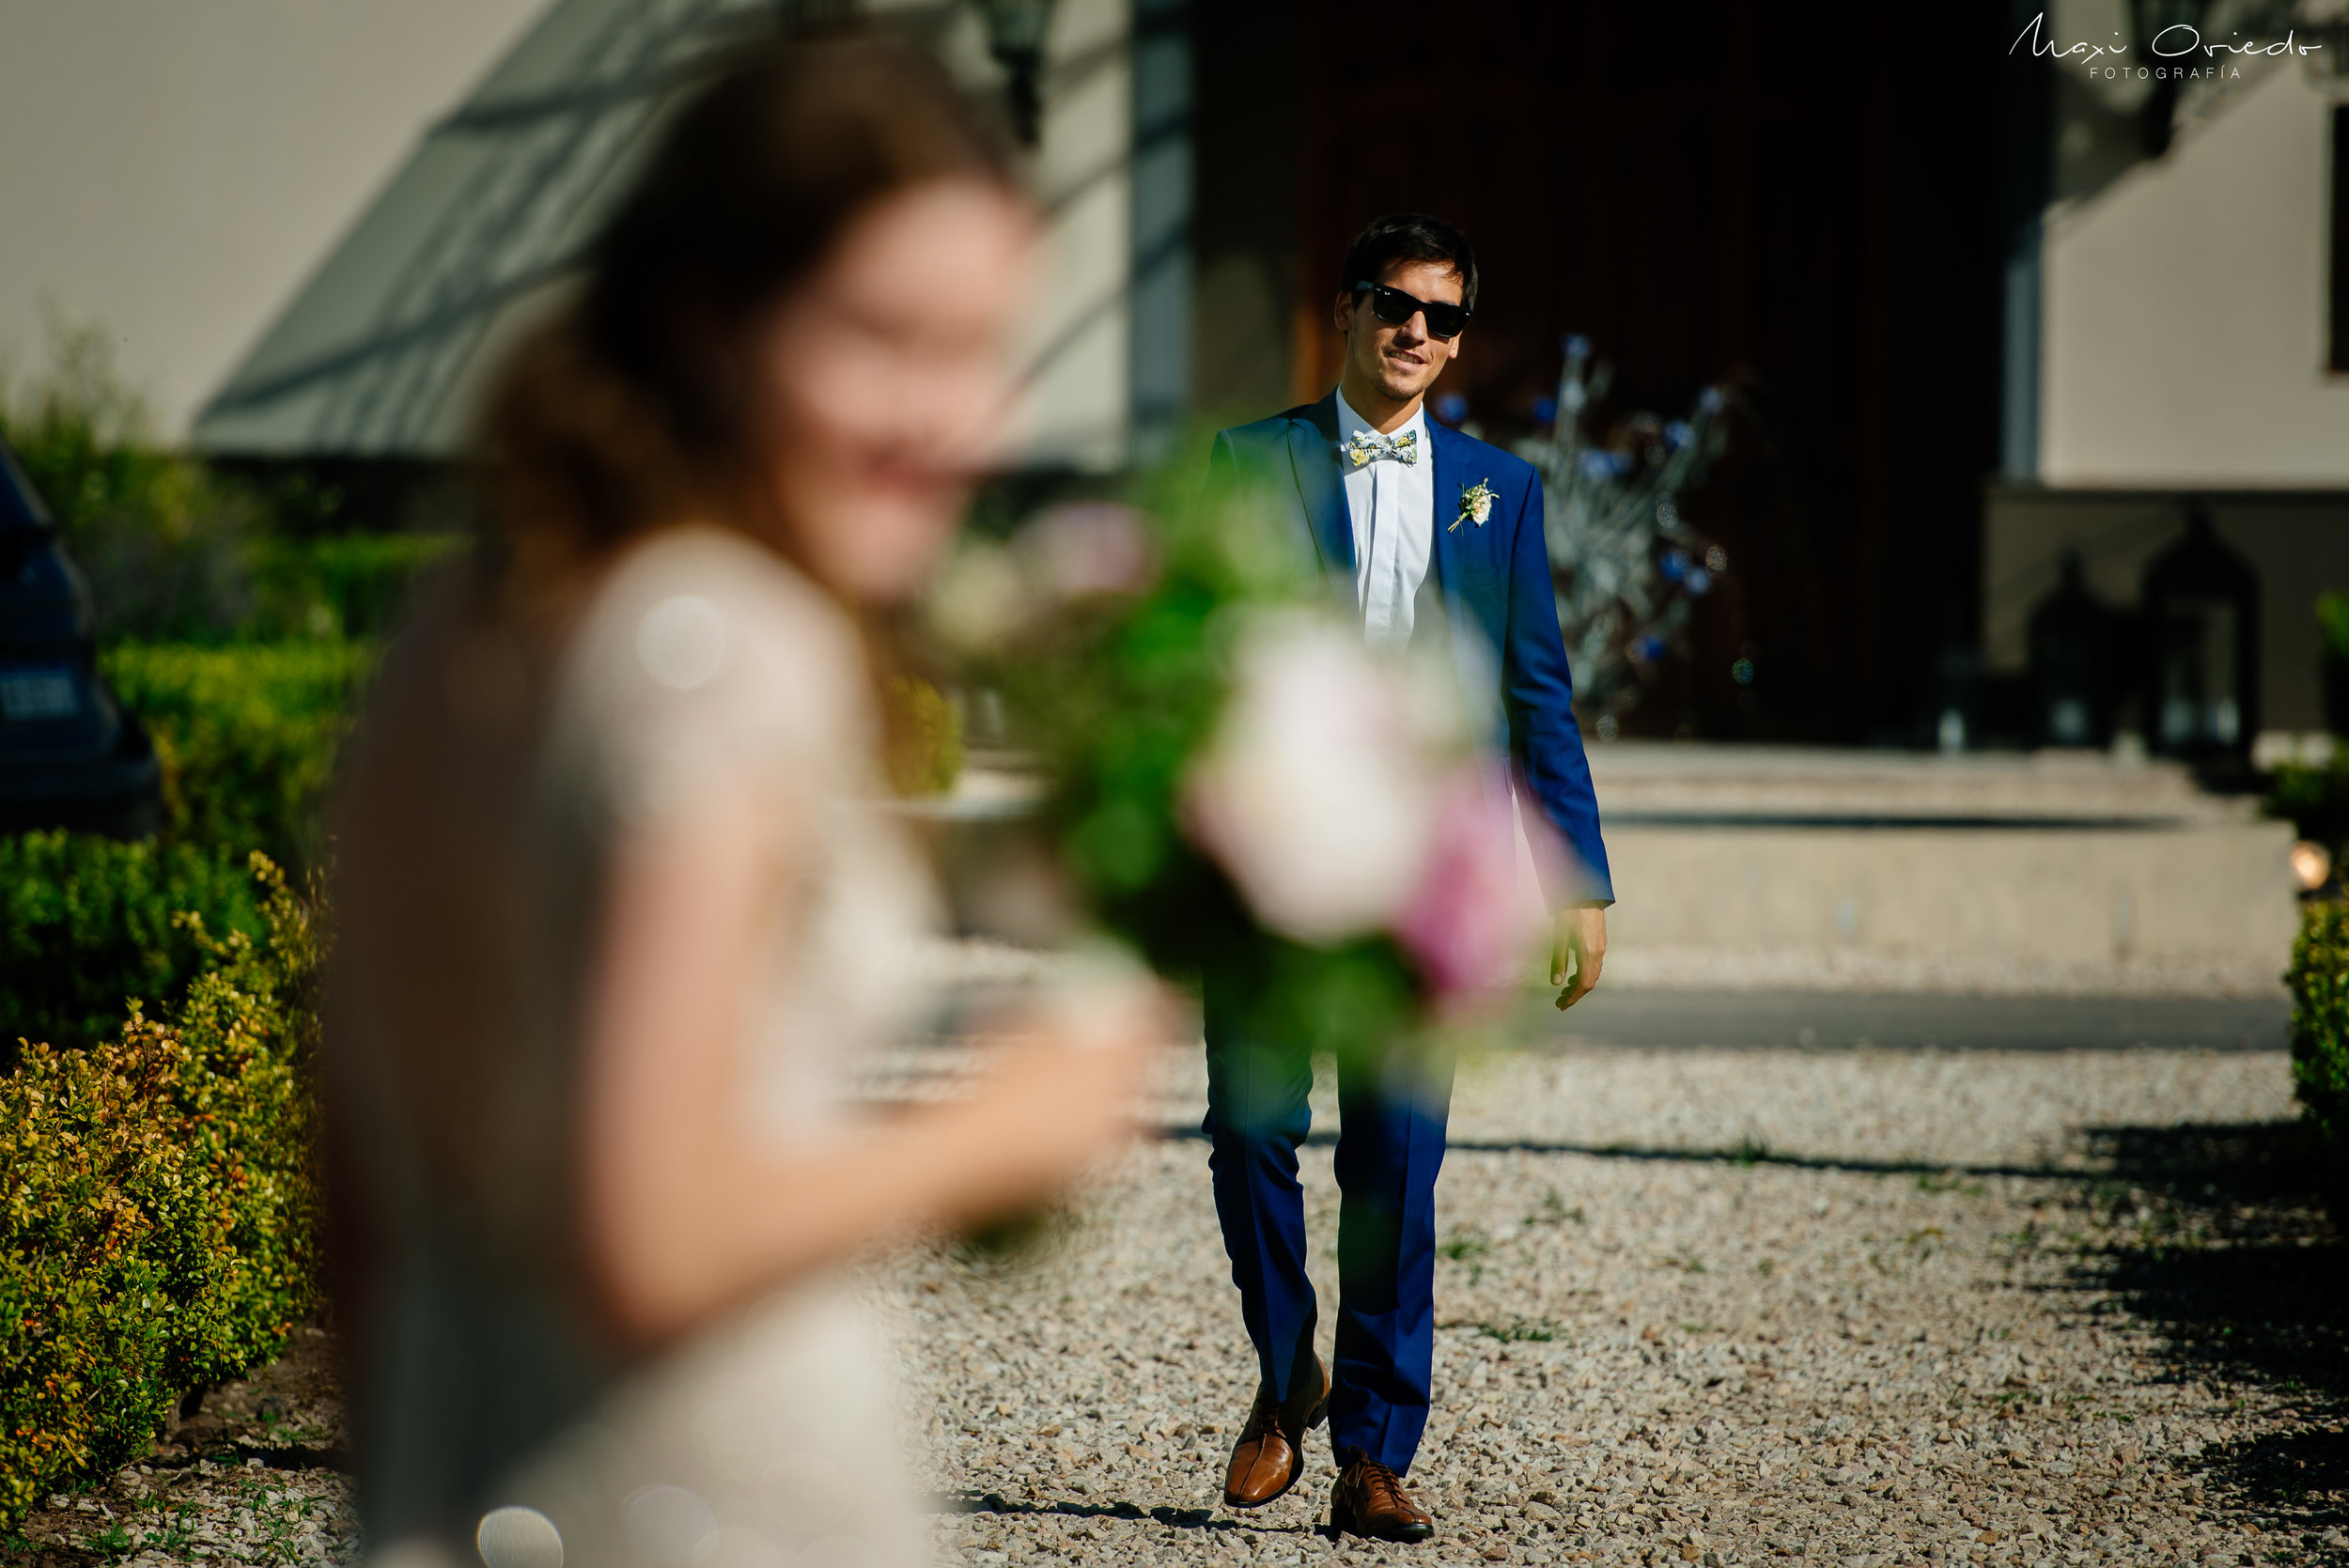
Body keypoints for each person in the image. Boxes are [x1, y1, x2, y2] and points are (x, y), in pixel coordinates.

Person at [326, 32, 1157, 1568]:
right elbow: (647, 1232)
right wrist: (1003, 1126)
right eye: (883, 337)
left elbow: (358, 1181)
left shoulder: (475, 614)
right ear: (713, 316)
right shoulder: (725, 647)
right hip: (707, 1499)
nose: (953, 420)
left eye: (984, 350)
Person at [1198, 213, 1613, 1544]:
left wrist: (1576, 880)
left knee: (1396, 1166)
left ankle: (1375, 1450)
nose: (1417, 333)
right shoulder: (1248, 462)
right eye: (1394, 304)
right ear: (1347, 307)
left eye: (1442, 315)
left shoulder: (1503, 487)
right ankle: (1285, 1377)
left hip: (1424, 875)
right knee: (1250, 1130)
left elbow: (1535, 692)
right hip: (1272, 860)